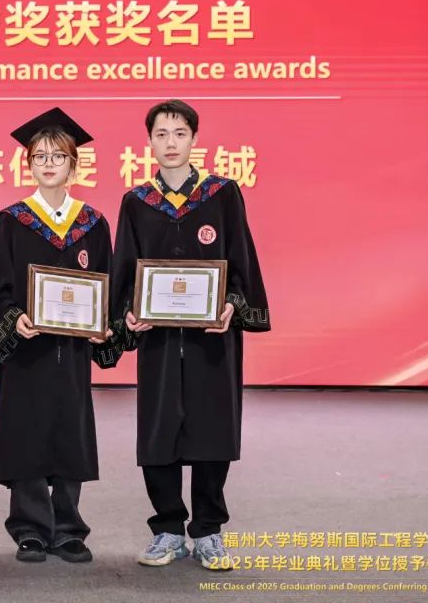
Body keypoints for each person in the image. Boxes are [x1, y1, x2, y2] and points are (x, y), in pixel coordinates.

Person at [110, 100, 271, 570]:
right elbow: (125, 268)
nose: (171, 143)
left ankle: (207, 530)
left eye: (180, 133)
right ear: (149, 142)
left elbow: (240, 259)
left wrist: (232, 305)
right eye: (161, 134)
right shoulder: (137, 202)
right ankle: (166, 529)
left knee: (211, 429)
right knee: (158, 431)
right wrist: (128, 315)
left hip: (211, 338)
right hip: (159, 342)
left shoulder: (222, 194)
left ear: (194, 139)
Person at [0, 107, 116, 564]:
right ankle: (30, 528)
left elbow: (107, 286)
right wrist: (14, 318)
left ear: (73, 164)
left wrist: (103, 327)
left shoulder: (92, 223)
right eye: (39, 156)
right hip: (27, 351)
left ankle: (69, 528)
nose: (48, 164)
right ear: (29, 164)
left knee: (69, 430)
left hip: (72, 351)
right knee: (27, 430)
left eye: (58, 156)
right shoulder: (12, 220)